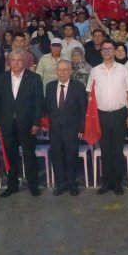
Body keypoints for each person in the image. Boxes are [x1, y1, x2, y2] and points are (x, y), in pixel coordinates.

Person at [0, 49, 44, 197]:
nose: (16, 63)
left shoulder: (34, 78)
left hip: (28, 124)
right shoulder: (1, 78)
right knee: (10, 155)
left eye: (19, 60)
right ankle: (12, 185)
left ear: (25, 62)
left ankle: (33, 185)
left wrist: (36, 123)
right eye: (13, 60)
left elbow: (38, 103)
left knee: (29, 156)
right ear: (9, 62)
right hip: (7, 124)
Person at [88, 41, 128, 195]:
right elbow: (90, 94)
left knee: (117, 149)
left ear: (115, 52)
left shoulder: (123, 70)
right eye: (104, 49)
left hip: (119, 114)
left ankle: (117, 182)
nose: (107, 51)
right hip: (101, 115)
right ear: (101, 52)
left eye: (110, 49)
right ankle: (107, 182)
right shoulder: (95, 71)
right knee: (105, 150)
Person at [43, 59, 87, 196]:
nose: (62, 72)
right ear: (56, 71)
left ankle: (72, 184)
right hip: (55, 129)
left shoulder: (78, 86)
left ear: (70, 71)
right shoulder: (50, 86)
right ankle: (61, 184)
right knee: (57, 157)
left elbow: (83, 109)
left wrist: (81, 129)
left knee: (71, 157)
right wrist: (45, 123)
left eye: (65, 70)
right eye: (59, 70)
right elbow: (47, 108)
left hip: (72, 129)